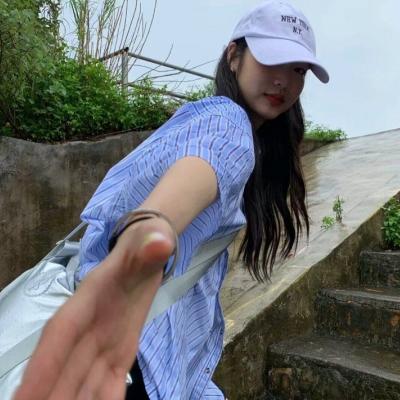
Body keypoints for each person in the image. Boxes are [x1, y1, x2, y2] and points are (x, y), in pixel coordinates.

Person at [13, 1, 329, 399]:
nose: (283, 80)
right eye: (271, 60)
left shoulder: (194, 120)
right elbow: (172, 201)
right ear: (234, 56)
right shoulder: (227, 124)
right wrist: (144, 240)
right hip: (128, 363)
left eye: (298, 70)